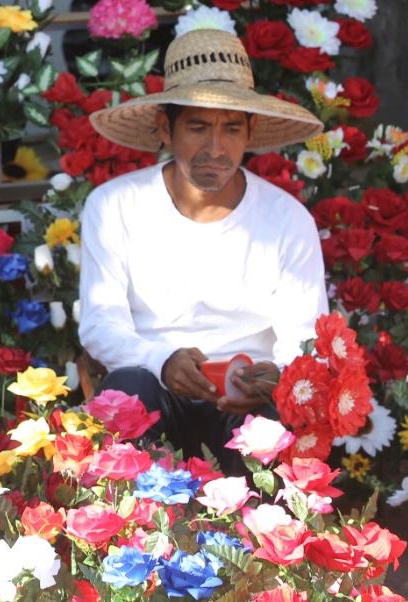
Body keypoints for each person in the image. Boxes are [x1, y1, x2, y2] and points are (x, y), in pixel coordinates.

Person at [78, 27, 328, 466]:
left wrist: (273, 378)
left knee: (281, 416)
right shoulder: (115, 205)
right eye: (197, 126)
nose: (215, 148)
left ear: (250, 133)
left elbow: (305, 339)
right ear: (164, 128)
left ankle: (268, 526)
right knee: (129, 388)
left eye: (231, 128)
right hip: (156, 390)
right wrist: (162, 361)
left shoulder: (287, 220)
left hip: (246, 408)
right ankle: (127, 523)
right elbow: (101, 325)